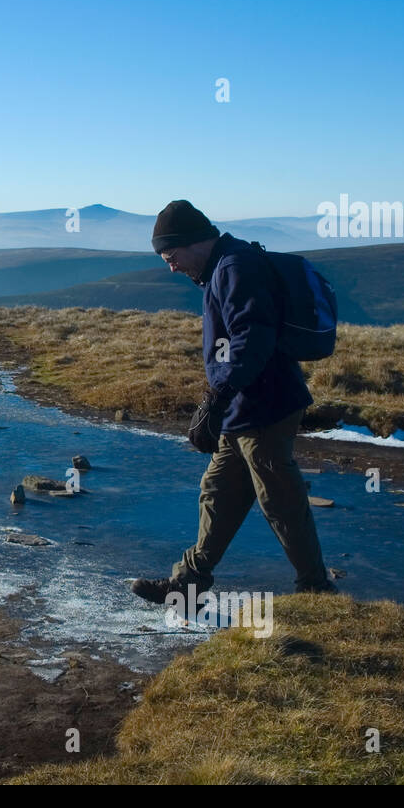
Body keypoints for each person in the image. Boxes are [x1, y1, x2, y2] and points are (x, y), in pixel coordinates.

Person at [126, 199, 337, 601]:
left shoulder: (234, 268)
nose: (170, 267)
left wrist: (216, 398)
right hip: (242, 409)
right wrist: (222, 403)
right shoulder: (225, 266)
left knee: (280, 499)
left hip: (266, 407)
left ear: (192, 242)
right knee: (218, 494)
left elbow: (251, 339)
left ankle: (315, 586)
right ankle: (188, 582)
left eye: (171, 256)